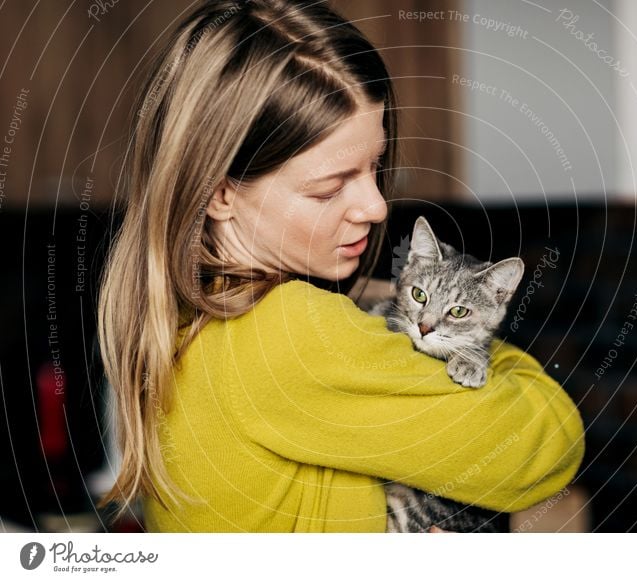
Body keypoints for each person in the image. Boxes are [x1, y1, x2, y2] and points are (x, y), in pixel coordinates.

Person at [97, 0, 585, 532]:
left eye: (374, 165)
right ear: (220, 194)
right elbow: (546, 449)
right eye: (331, 186)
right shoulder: (292, 330)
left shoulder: (193, 319)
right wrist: (477, 337)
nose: (376, 207)